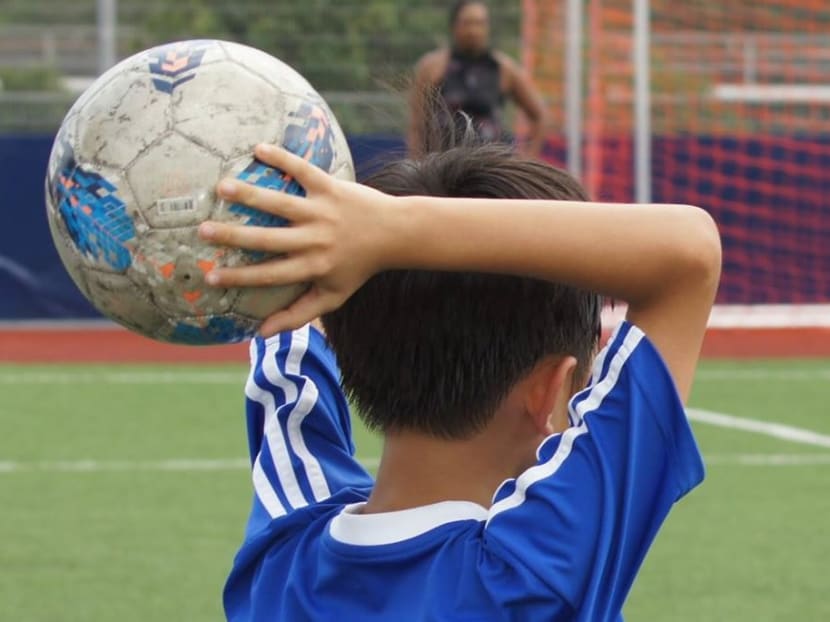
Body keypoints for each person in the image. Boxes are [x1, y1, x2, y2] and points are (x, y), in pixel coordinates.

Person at [198, 141, 721, 621]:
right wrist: (388, 231)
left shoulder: (278, 561)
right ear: (552, 390)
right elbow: (689, 251)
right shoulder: (533, 579)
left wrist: (383, 234)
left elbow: (288, 367)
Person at [408, 0, 547, 157]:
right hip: (442, 163)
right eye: (467, 23)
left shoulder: (504, 68)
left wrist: (527, 158)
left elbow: (539, 116)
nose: (473, 30)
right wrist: (417, 161)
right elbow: (417, 125)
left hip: (488, 164)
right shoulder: (432, 67)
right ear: (454, 26)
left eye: (479, 23)